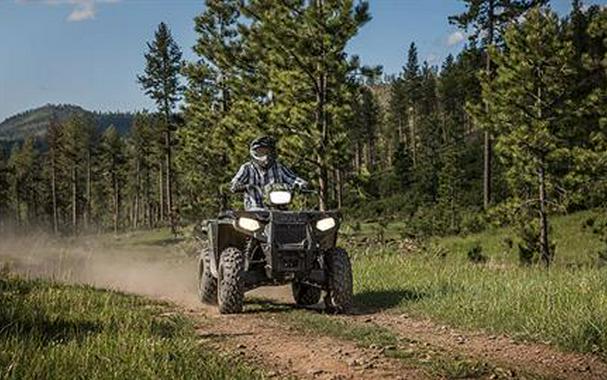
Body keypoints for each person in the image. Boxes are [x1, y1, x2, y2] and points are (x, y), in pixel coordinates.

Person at [230, 136, 308, 210]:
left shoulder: (279, 168)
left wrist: (301, 184)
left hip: (278, 210)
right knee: (246, 223)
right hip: (254, 211)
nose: (265, 156)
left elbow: (292, 178)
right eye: (261, 152)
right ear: (254, 153)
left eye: (267, 152)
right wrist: (241, 186)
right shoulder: (247, 168)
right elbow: (234, 184)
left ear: (272, 153)